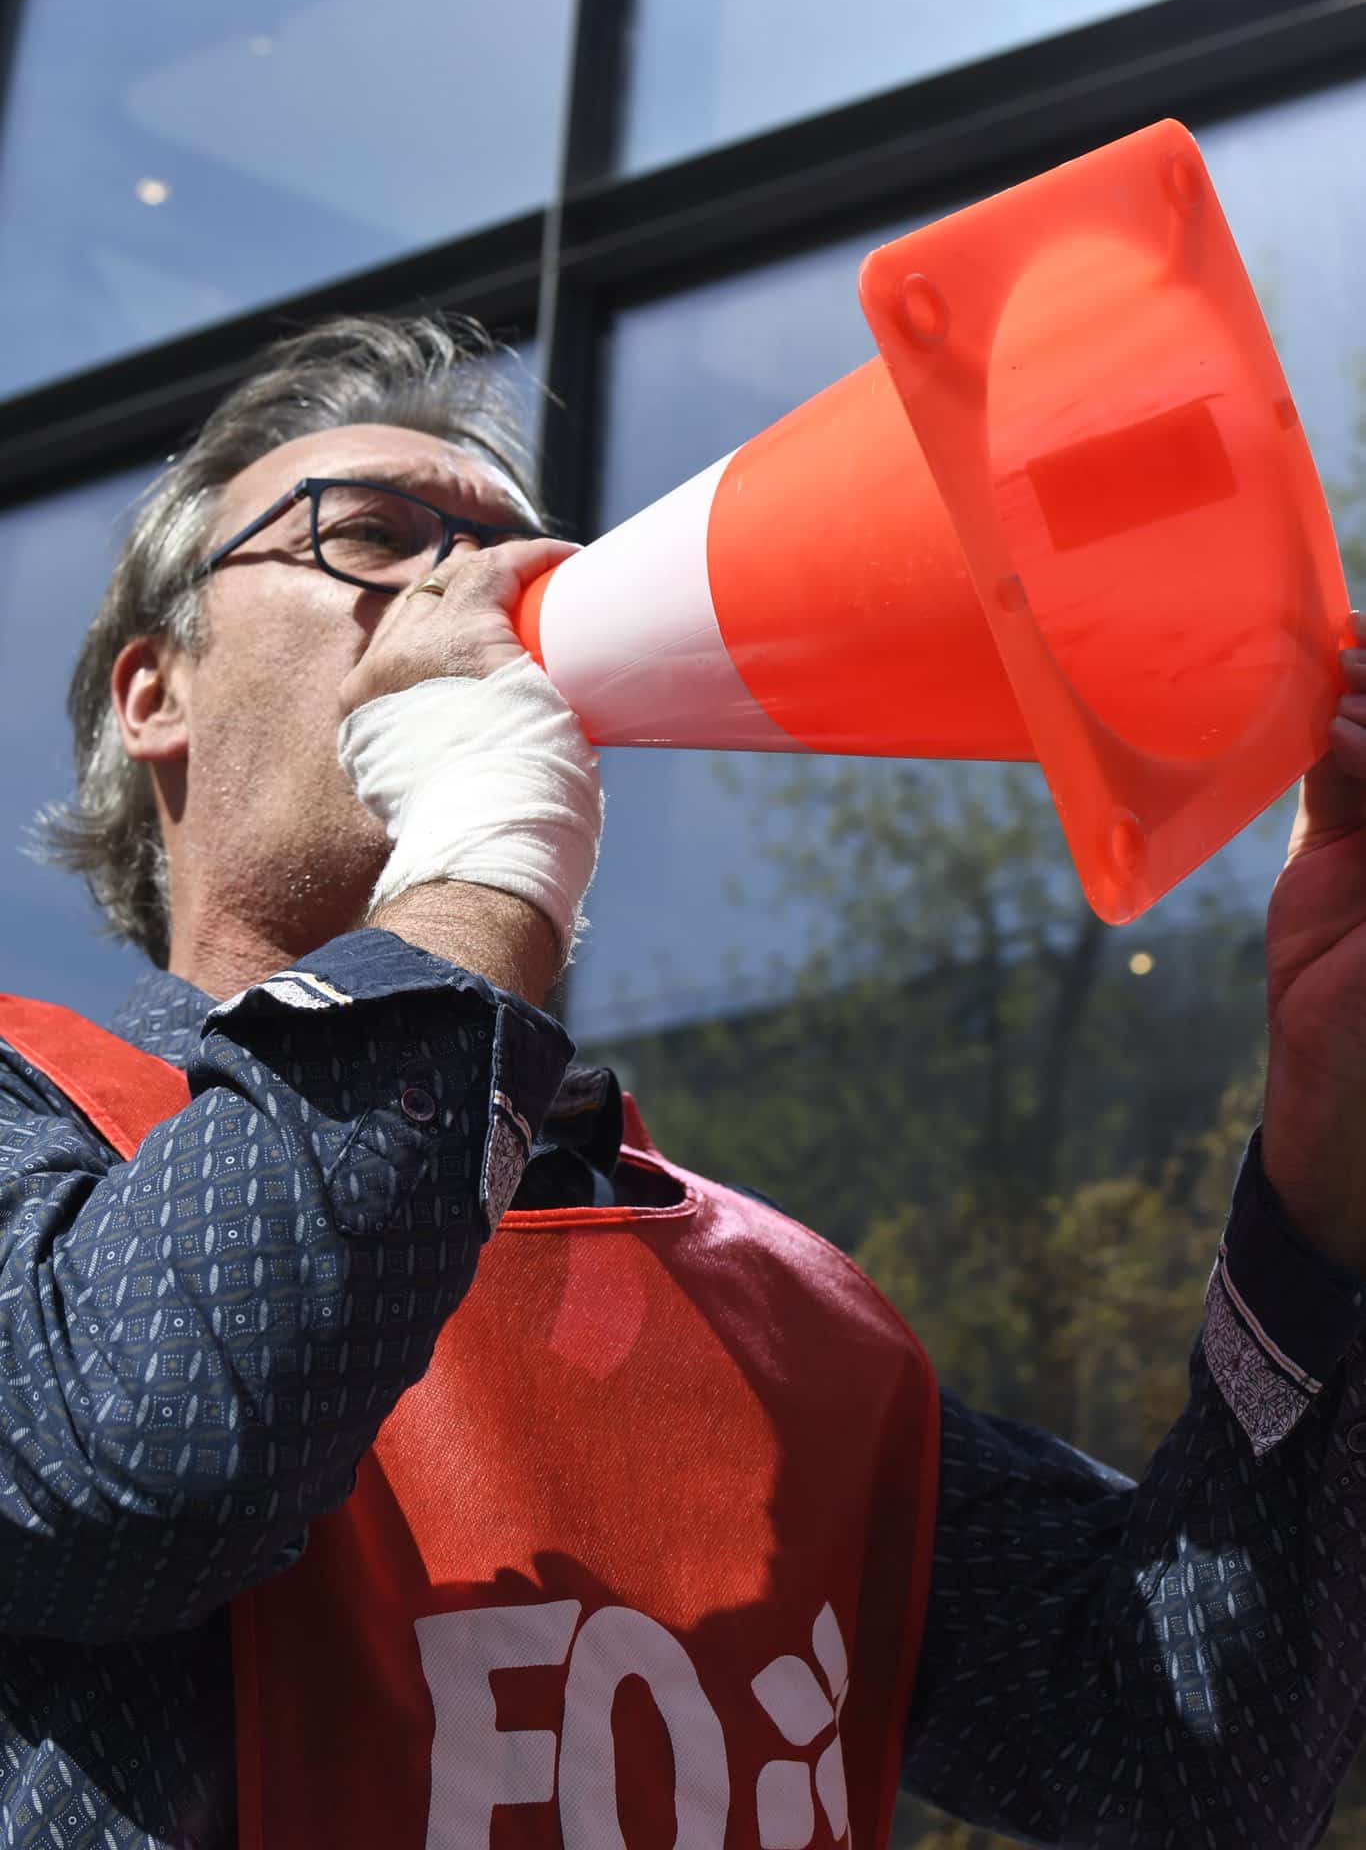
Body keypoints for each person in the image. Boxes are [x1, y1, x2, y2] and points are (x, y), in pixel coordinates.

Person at [4, 313, 1366, 1850]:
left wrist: (1325, 1177)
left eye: (515, 549)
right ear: (155, 693)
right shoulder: (29, 1131)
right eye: (373, 535)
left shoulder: (780, 1311)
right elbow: (146, 1468)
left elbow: (1184, 1770)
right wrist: (480, 855)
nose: (485, 589)